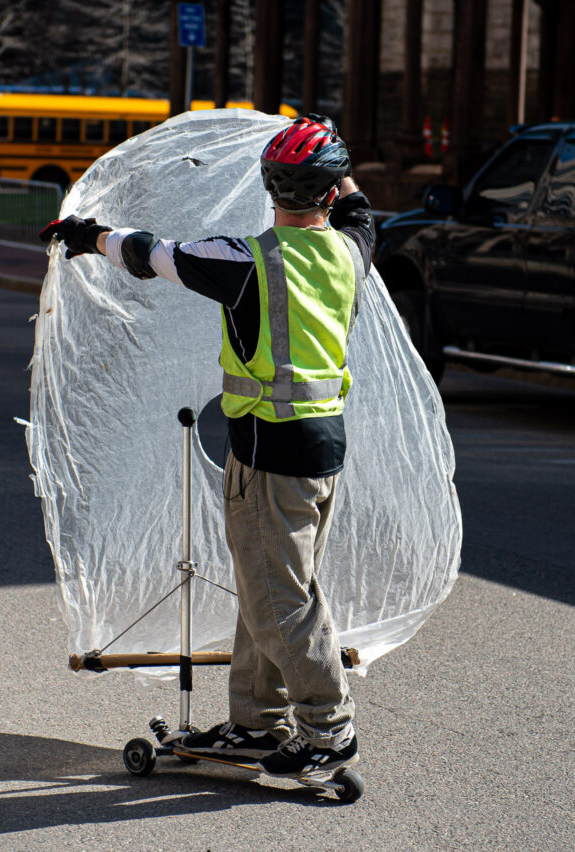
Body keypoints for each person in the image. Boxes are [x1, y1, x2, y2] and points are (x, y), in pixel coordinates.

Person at [40, 115, 375, 777]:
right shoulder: (351, 249)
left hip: (267, 459)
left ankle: (327, 730)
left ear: (267, 186)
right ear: (330, 193)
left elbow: (147, 253)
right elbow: (362, 209)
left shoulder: (246, 262)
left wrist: (86, 235)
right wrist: (334, 155)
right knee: (270, 588)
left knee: (280, 600)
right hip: (323, 452)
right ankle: (256, 722)